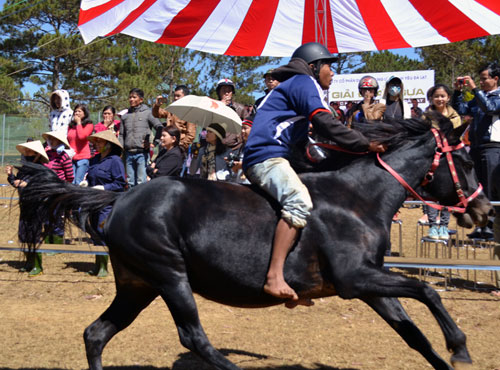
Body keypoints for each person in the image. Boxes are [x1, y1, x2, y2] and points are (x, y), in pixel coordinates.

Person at [242, 42, 386, 300]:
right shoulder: (304, 83)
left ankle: (300, 276)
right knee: (298, 202)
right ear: (314, 66)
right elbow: (324, 120)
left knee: (319, 199)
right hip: (267, 157)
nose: (332, 72)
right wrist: (364, 144)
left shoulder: (292, 86)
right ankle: (274, 277)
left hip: (276, 155)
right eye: (329, 66)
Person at [453, 62, 500, 240]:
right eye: (479, 79)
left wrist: (474, 90)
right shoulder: (480, 97)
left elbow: (490, 108)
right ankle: (480, 225)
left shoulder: (497, 96)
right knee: (476, 188)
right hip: (475, 147)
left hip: (493, 148)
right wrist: (458, 92)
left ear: (496, 79)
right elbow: (462, 109)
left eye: (484, 79)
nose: (480, 82)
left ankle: (489, 226)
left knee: (489, 187)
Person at [422, 84, 462, 240]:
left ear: (448, 98)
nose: (439, 99)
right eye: (436, 96)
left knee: (447, 193)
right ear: (431, 99)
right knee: (431, 192)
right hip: (431, 158)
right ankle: (432, 226)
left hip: (449, 160)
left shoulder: (455, 117)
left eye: (442, 96)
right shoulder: (426, 116)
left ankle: (444, 226)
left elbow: (456, 137)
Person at [84, 130, 126, 277]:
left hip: (108, 202)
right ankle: (97, 264)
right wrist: (86, 182)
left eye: (99, 142)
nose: (95, 144)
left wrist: (104, 187)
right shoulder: (94, 159)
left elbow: (120, 183)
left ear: (108, 145)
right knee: (94, 230)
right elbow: (91, 176)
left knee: (102, 230)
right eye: (95, 142)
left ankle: (103, 266)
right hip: (94, 200)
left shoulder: (115, 161)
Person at [5, 140, 49, 276]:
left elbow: (42, 186)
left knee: (34, 235)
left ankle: (37, 265)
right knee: (23, 235)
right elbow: (17, 183)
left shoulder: (42, 170)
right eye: (25, 151)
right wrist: (11, 176)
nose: (25, 154)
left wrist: (27, 184)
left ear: (36, 154)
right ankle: (29, 262)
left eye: (28, 151)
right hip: (25, 206)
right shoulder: (25, 169)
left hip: (37, 207)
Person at [119, 88, 163, 188]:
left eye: (134, 97)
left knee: (141, 182)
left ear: (141, 99)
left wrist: (154, 143)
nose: (131, 99)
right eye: (130, 97)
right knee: (130, 182)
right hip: (128, 153)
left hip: (142, 154)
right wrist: (120, 150)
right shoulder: (125, 116)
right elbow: (121, 135)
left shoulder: (148, 113)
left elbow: (159, 127)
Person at [152, 85, 197, 153]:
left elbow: (191, 135)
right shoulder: (172, 109)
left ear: (186, 97)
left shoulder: (189, 112)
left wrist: (180, 146)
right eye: (174, 96)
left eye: (178, 96)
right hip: (167, 147)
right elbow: (157, 114)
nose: (175, 98)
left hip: (179, 151)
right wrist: (157, 105)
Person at [67, 104, 94, 185]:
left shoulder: (89, 125)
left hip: (83, 158)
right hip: (72, 158)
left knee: (78, 182)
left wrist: (79, 123)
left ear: (85, 113)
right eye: (75, 111)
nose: (76, 113)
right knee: (71, 181)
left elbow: (82, 137)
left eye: (79, 111)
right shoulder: (71, 126)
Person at [227, 116, 253, 183]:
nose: (242, 131)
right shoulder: (242, 146)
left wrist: (242, 165)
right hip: (239, 183)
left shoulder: (257, 147)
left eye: (245, 128)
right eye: (242, 128)